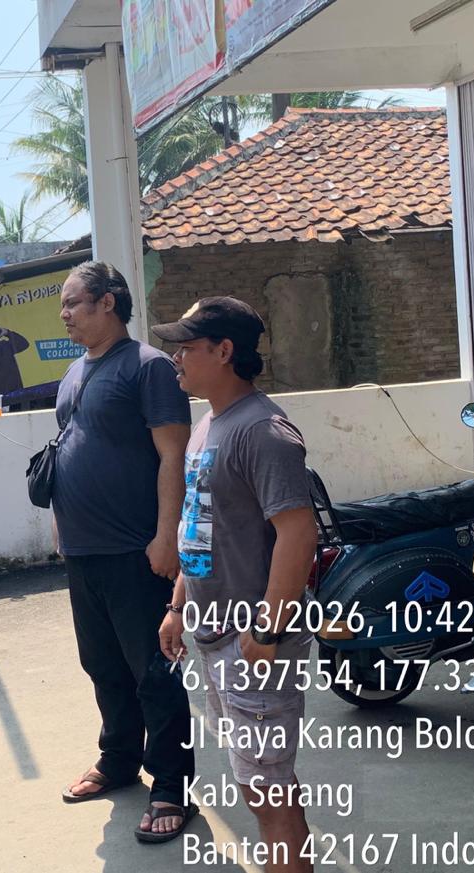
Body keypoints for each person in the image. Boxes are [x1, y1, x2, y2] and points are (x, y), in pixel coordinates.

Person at [155, 297, 318, 873]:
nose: (176, 358)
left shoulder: (264, 431)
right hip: (216, 634)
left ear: (224, 351)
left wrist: (267, 630)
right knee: (258, 784)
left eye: (187, 347)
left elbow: (298, 533)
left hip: (253, 642)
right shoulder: (208, 426)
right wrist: (178, 605)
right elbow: (199, 526)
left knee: (268, 791)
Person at [51, 261, 198, 843]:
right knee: (103, 665)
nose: (64, 315)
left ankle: (171, 785)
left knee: (154, 671)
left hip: (135, 549)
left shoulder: (148, 367)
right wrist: (62, 527)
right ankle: (118, 759)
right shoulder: (74, 371)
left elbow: (172, 455)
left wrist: (167, 535)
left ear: (108, 302)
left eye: (72, 303)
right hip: (83, 549)